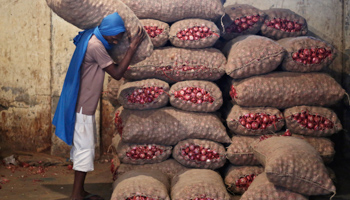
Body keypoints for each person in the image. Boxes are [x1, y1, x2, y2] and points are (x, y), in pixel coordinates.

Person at [52, 12, 146, 200]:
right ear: (109, 32)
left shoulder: (91, 36)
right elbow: (118, 73)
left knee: (82, 149)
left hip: (81, 104)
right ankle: (76, 195)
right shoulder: (96, 46)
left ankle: (80, 191)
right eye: (116, 37)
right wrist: (132, 48)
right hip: (82, 107)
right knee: (84, 150)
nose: (116, 42)